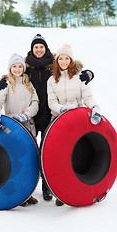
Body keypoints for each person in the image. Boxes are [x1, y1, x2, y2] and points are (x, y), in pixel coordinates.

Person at [0, 35, 95, 202]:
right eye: (36, 47)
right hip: (31, 118)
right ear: (32, 49)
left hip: (50, 115)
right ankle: (26, 191)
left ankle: (48, 188)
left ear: (46, 49)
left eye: (41, 47)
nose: (38, 50)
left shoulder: (52, 64)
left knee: (51, 154)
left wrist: (89, 73)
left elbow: (70, 70)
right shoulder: (26, 67)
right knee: (29, 155)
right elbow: (14, 76)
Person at [47, 44, 101, 206]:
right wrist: (61, 109)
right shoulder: (52, 80)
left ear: (71, 60)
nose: (64, 61)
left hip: (77, 120)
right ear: (57, 61)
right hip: (58, 119)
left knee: (75, 153)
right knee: (58, 157)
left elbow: (87, 96)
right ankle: (59, 192)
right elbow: (51, 102)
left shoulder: (80, 77)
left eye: (67, 58)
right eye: (61, 58)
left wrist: (95, 107)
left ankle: (76, 189)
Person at [0, 53, 39, 206]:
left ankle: (28, 194)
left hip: (28, 127)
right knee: (15, 162)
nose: (17, 69)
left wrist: (25, 115)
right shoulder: (5, 84)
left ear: (23, 68)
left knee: (30, 163)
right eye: (14, 66)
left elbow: (35, 102)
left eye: (19, 66)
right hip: (12, 129)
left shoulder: (28, 83)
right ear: (10, 68)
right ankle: (18, 195)